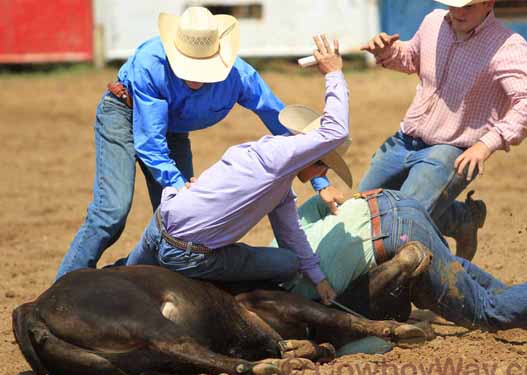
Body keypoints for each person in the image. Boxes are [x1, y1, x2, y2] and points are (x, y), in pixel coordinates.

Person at [55, 7, 344, 281]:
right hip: (123, 114)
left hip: (174, 129)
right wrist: (178, 184)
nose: (195, 76)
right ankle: (60, 291)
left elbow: (286, 126)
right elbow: (150, 142)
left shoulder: (240, 76)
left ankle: (122, 278)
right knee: (111, 213)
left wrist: (321, 181)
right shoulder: (149, 63)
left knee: (182, 225)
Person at [125, 35, 351, 305]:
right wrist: (334, 73)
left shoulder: (271, 167)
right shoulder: (279, 160)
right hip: (188, 254)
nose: (322, 175)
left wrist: (319, 278)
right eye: (324, 167)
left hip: (160, 225)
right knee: (286, 264)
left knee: (124, 283)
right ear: (313, 157)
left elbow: (290, 233)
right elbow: (336, 130)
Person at [359, 0, 527, 260]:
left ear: (488, 4)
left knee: (398, 225)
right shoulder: (434, 21)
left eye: (467, 6)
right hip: (405, 139)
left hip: (452, 150)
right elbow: (412, 57)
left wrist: (487, 143)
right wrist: (387, 52)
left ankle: (431, 276)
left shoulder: (508, 46)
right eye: (453, 4)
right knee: (361, 211)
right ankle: (461, 219)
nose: (457, 12)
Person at [277, 190, 527, 331]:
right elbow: (320, 203)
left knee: (485, 312)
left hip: (394, 241)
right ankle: (523, 303)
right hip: (392, 202)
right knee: (458, 272)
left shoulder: (306, 303)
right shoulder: (281, 244)